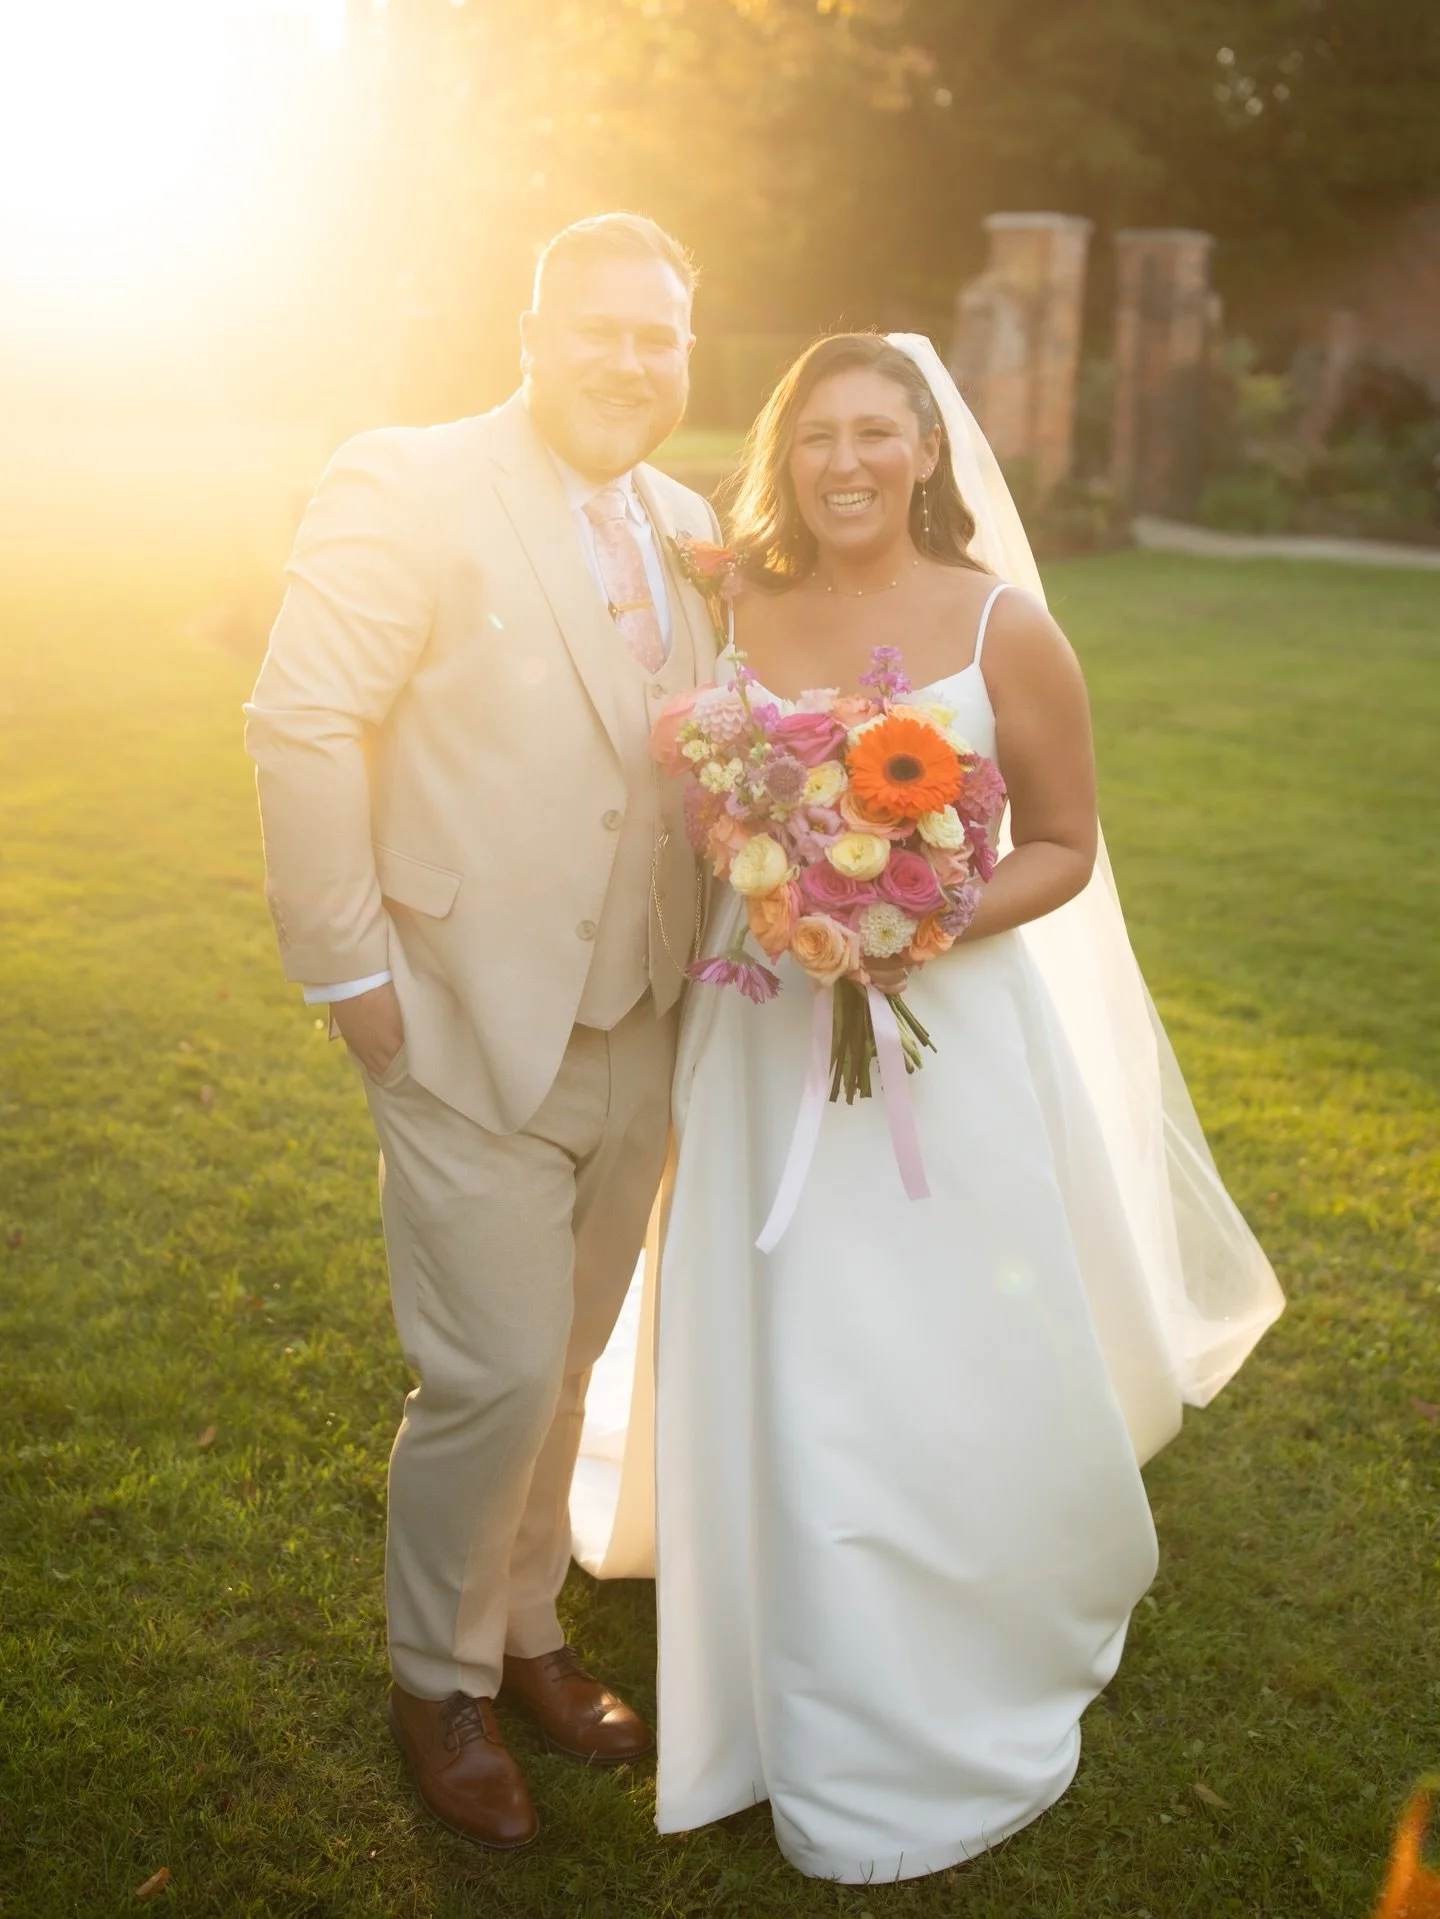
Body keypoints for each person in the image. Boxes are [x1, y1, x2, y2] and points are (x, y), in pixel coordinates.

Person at [573, 331, 1285, 1882]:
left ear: (925, 453)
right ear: (785, 450)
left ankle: (941, 1617)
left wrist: (912, 919)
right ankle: (776, 1590)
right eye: (816, 432)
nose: (844, 461)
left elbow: (1067, 842)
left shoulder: (1004, 626)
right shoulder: (729, 598)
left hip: (941, 1041)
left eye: (874, 435)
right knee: (784, 1308)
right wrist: (796, 884)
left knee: (929, 1325)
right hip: (762, 1034)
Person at [244, 212, 721, 1851]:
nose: (628, 359)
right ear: (532, 332)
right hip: (454, 1017)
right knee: (494, 1369)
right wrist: (346, 970)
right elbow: (302, 717)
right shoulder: (410, 478)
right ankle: (430, 1675)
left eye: (658, 337)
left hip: (644, 1019)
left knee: (570, 1360)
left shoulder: (685, 519)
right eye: (599, 327)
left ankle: (526, 1634)